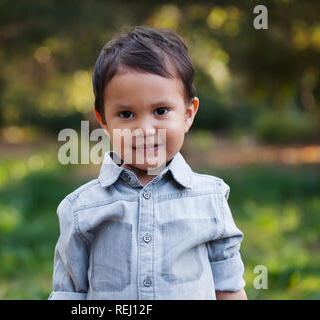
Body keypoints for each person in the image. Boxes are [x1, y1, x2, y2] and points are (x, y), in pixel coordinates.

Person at [48, 26, 247, 300]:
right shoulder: (82, 209)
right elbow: (69, 294)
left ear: (188, 114)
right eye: (126, 114)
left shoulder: (210, 200)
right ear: (103, 121)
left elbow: (229, 287)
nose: (144, 128)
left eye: (161, 111)